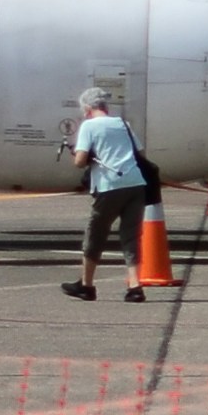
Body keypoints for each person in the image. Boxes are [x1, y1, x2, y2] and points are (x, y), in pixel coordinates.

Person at [65, 85, 152, 301]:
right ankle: (135, 286)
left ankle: (86, 285)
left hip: (109, 186)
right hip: (135, 184)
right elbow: (139, 153)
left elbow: (80, 161)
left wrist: (77, 154)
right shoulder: (123, 124)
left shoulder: (89, 126)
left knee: (96, 234)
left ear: (87, 108)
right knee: (131, 236)